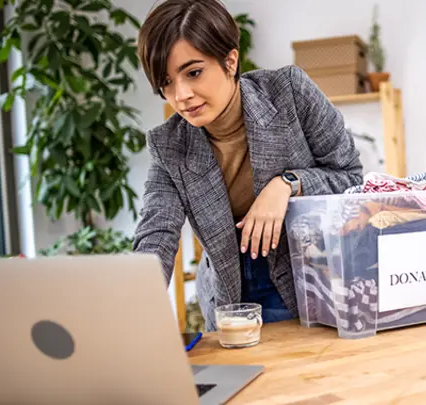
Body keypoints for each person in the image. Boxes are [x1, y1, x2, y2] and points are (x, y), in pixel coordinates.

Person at [133, 0, 363, 331]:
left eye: (193, 72)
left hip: (309, 281)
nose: (181, 94)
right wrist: (133, 301)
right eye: (166, 82)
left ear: (230, 61)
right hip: (230, 300)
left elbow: (351, 179)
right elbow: (157, 232)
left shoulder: (289, 93)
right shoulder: (169, 144)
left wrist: (286, 185)